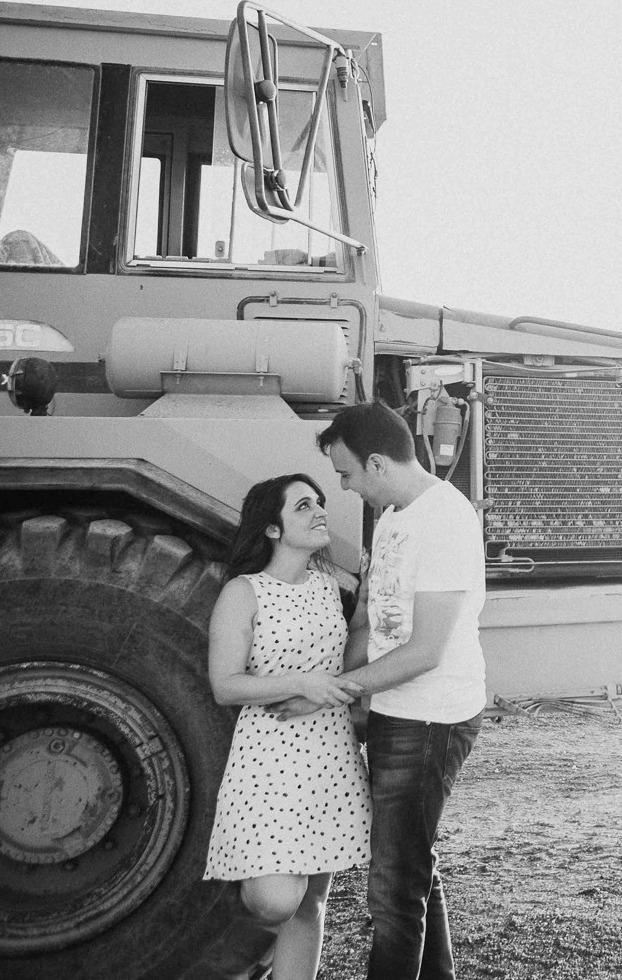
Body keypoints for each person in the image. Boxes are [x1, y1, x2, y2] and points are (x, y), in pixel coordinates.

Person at [316, 401, 487, 980]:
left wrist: (333, 690)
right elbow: (371, 619)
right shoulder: (392, 515)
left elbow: (425, 651)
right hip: (396, 711)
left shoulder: (446, 518)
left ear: (377, 463)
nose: (345, 487)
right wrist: (350, 680)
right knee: (409, 864)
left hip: (433, 718)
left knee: (392, 888)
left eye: (347, 474)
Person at [204, 474, 371, 980]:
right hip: (270, 755)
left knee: (310, 904)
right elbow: (225, 685)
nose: (320, 511)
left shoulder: (326, 586)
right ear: (272, 528)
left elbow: (343, 664)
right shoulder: (243, 592)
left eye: (319, 502)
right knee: (275, 898)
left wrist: (367, 607)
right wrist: (301, 683)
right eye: (303, 506)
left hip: (330, 751)